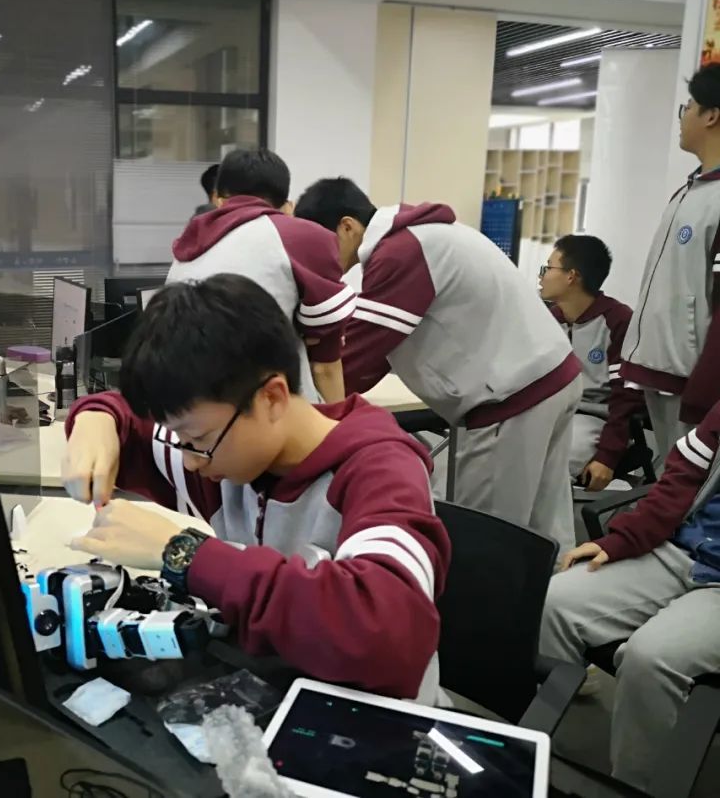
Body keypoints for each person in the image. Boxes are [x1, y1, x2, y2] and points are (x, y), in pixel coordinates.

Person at [61, 274, 450, 702]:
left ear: (272, 398)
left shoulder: (381, 470)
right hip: (278, 696)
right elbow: (131, 424)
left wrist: (186, 554)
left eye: (197, 440)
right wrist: (95, 418)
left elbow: (387, 637)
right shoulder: (227, 455)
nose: (189, 460)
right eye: (182, 441)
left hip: (377, 720)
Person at [295, 177, 582, 553]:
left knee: (486, 539)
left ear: (347, 226)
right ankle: (556, 591)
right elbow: (378, 341)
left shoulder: (401, 253)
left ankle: (493, 594)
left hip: (513, 400)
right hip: (552, 377)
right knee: (545, 527)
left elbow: (358, 356)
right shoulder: (426, 236)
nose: (320, 259)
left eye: (321, 244)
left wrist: (301, 406)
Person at [541, 399, 720, 792]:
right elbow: (681, 481)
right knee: (554, 602)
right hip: (685, 549)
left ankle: (635, 787)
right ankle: (552, 760)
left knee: (651, 658)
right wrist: (624, 538)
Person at [169, 149, 353, 404]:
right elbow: (324, 365)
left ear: (219, 199)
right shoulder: (301, 236)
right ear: (286, 204)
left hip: (188, 406)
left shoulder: (186, 247)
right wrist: (341, 425)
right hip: (265, 409)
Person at [622, 63, 720, 459]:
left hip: (693, 382)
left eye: (689, 107)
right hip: (662, 371)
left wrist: (705, 388)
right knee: (669, 480)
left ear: (711, 115)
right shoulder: (691, 190)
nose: (683, 117)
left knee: (689, 486)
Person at [539, 234, 643, 491]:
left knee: (551, 465)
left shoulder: (618, 321)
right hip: (551, 415)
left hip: (594, 419)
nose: (542, 276)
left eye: (548, 268)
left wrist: (607, 455)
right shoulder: (548, 320)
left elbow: (626, 399)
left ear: (571, 276)